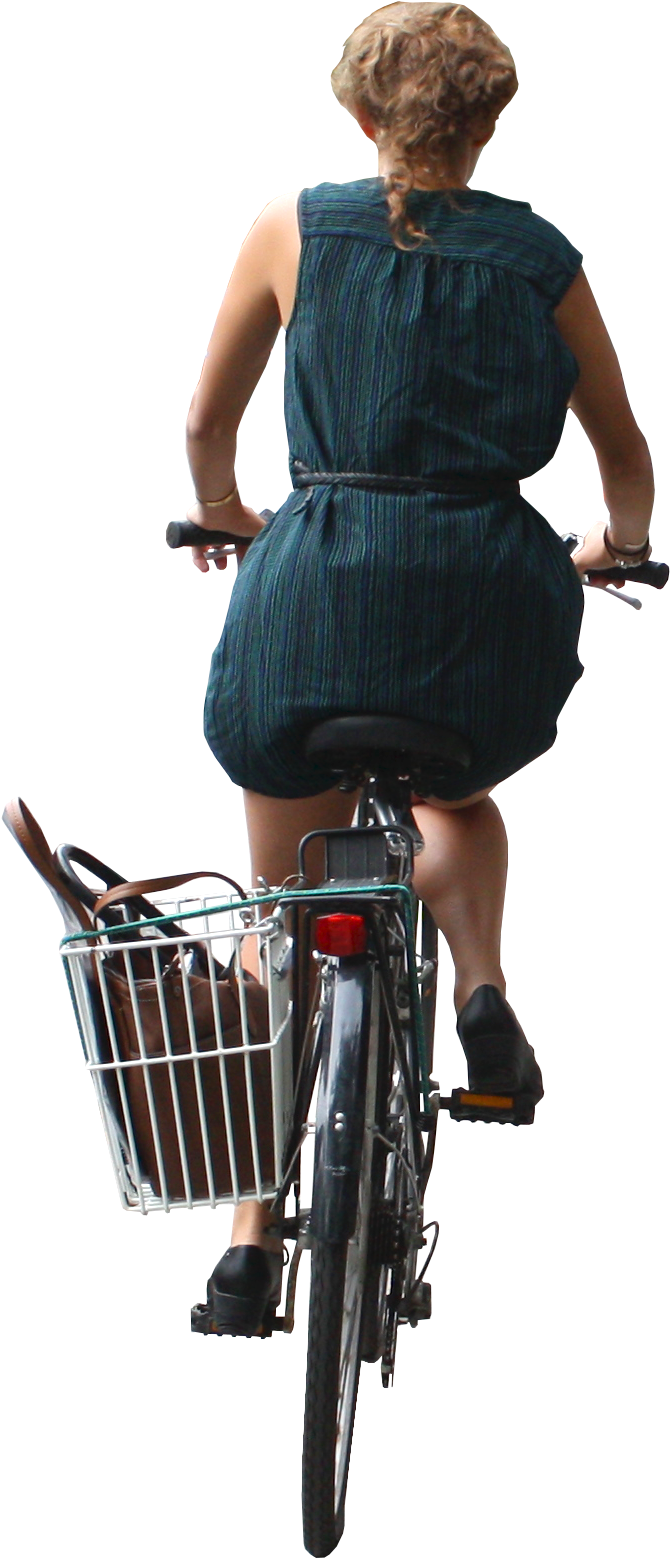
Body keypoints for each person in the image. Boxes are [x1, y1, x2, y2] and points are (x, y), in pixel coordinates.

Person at [185, 4, 655, 1334]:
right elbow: (624, 459)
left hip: (314, 591)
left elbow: (209, 426)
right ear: (492, 121)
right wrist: (616, 547)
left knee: (279, 910)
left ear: (358, 114)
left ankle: (247, 1249)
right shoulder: (543, 256)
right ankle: (485, 994)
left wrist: (222, 513)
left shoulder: (290, 225)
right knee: (460, 800)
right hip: (487, 608)